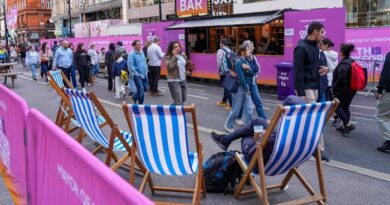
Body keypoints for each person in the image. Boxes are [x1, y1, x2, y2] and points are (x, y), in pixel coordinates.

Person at [211, 96, 307, 168]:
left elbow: (265, 143)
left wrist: (263, 135)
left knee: (249, 132)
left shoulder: (280, 136)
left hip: (263, 159)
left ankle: (226, 140)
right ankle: (225, 140)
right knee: (258, 121)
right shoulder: (307, 132)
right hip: (289, 161)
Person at [224, 45, 254, 133]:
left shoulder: (246, 61)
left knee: (249, 109)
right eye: (247, 50)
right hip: (240, 87)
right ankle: (228, 126)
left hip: (245, 87)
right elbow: (241, 77)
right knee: (236, 109)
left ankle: (250, 126)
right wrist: (246, 88)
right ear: (242, 52)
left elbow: (252, 73)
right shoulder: (238, 62)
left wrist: (248, 68)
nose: (249, 51)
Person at [294, 21, 325, 103]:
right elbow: (297, 71)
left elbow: (312, 66)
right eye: (322, 32)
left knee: (311, 115)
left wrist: (326, 69)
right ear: (315, 32)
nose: (323, 35)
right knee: (310, 114)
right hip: (306, 88)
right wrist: (301, 93)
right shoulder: (301, 47)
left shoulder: (315, 47)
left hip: (315, 87)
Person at [332, 43, 357, 134]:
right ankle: (345, 127)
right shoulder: (352, 61)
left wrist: (334, 88)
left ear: (342, 52)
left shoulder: (344, 64)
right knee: (345, 107)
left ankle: (348, 124)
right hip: (351, 89)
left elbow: (341, 79)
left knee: (336, 107)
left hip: (343, 90)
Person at [243, 40, 267, 120]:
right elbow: (249, 71)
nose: (253, 48)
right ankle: (238, 118)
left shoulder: (253, 57)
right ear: (246, 48)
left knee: (258, 102)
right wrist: (252, 71)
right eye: (251, 46)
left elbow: (258, 69)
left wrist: (254, 74)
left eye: (253, 46)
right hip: (245, 84)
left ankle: (263, 120)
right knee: (244, 104)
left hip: (253, 83)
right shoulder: (242, 59)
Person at [164, 41, 190, 105]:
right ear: (171, 49)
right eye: (175, 47)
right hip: (174, 80)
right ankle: (179, 114)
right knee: (178, 100)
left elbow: (184, 66)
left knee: (184, 98)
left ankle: (171, 109)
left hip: (183, 79)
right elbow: (169, 67)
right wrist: (174, 56)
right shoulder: (168, 57)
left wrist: (186, 72)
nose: (177, 48)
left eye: (178, 46)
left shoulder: (183, 55)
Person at [375, 51, 390, 153]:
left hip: (389, 90)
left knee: (381, 116)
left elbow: (386, 73)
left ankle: (389, 139)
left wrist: (380, 89)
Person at [128, 40, 148, 104]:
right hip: (137, 74)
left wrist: (146, 70)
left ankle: (135, 97)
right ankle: (141, 105)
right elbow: (130, 66)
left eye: (140, 44)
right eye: (138, 44)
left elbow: (144, 62)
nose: (139, 45)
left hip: (144, 74)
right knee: (141, 90)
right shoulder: (131, 54)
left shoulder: (142, 52)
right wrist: (136, 74)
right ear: (134, 46)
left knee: (145, 88)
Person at [216, 39, 233, 111]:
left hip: (223, 71)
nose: (219, 44)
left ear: (222, 43)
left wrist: (218, 70)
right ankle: (224, 101)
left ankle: (232, 105)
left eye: (220, 43)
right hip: (230, 71)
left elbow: (219, 62)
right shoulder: (231, 51)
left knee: (227, 87)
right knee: (226, 85)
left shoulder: (220, 51)